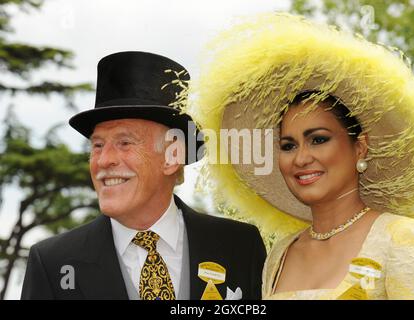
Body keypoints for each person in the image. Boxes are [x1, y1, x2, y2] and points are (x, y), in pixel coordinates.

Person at [189, 13, 414, 299]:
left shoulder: (399, 238)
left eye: (318, 140)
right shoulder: (280, 254)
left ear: (361, 147)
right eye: (288, 145)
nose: (301, 158)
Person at [21, 51, 266, 300]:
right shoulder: (51, 263)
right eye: (97, 146)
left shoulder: (241, 247)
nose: (104, 160)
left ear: (172, 155)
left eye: (125, 142)